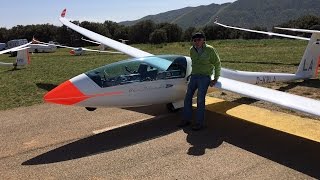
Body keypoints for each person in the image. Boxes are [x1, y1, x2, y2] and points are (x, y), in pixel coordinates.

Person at [179, 32, 221, 131]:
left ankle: (199, 123)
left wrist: (215, 78)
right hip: (194, 76)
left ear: (203, 40)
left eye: (199, 39)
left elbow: (217, 63)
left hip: (204, 77)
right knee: (187, 98)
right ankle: (186, 119)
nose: (196, 42)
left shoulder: (210, 50)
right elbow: (194, 64)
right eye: (194, 40)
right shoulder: (191, 50)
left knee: (200, 100)